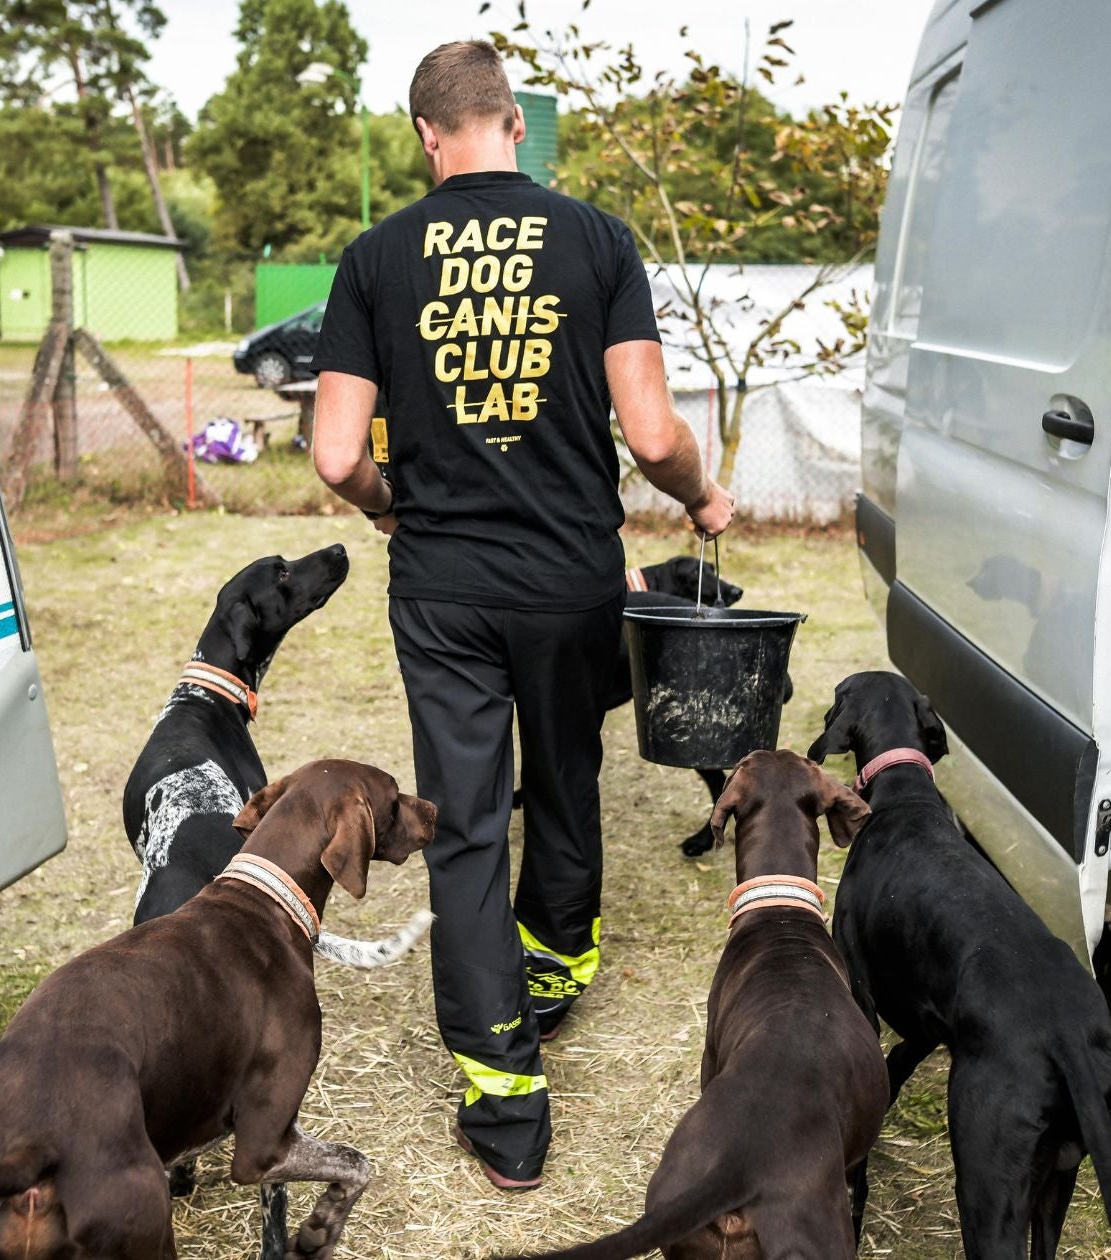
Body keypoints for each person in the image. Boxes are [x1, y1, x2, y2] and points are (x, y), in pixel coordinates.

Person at [310, 40, 734, 1191]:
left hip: (443, 589)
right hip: (569, 578)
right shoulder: (595, 239)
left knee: (460, 820)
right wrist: (699, 495)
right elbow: (649, 436)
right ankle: (553, 967)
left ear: (426, 135)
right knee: (562, 773)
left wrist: (391, 507)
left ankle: (502, 1098)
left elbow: (335, 452)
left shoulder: (374, 257)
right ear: (511, 125)